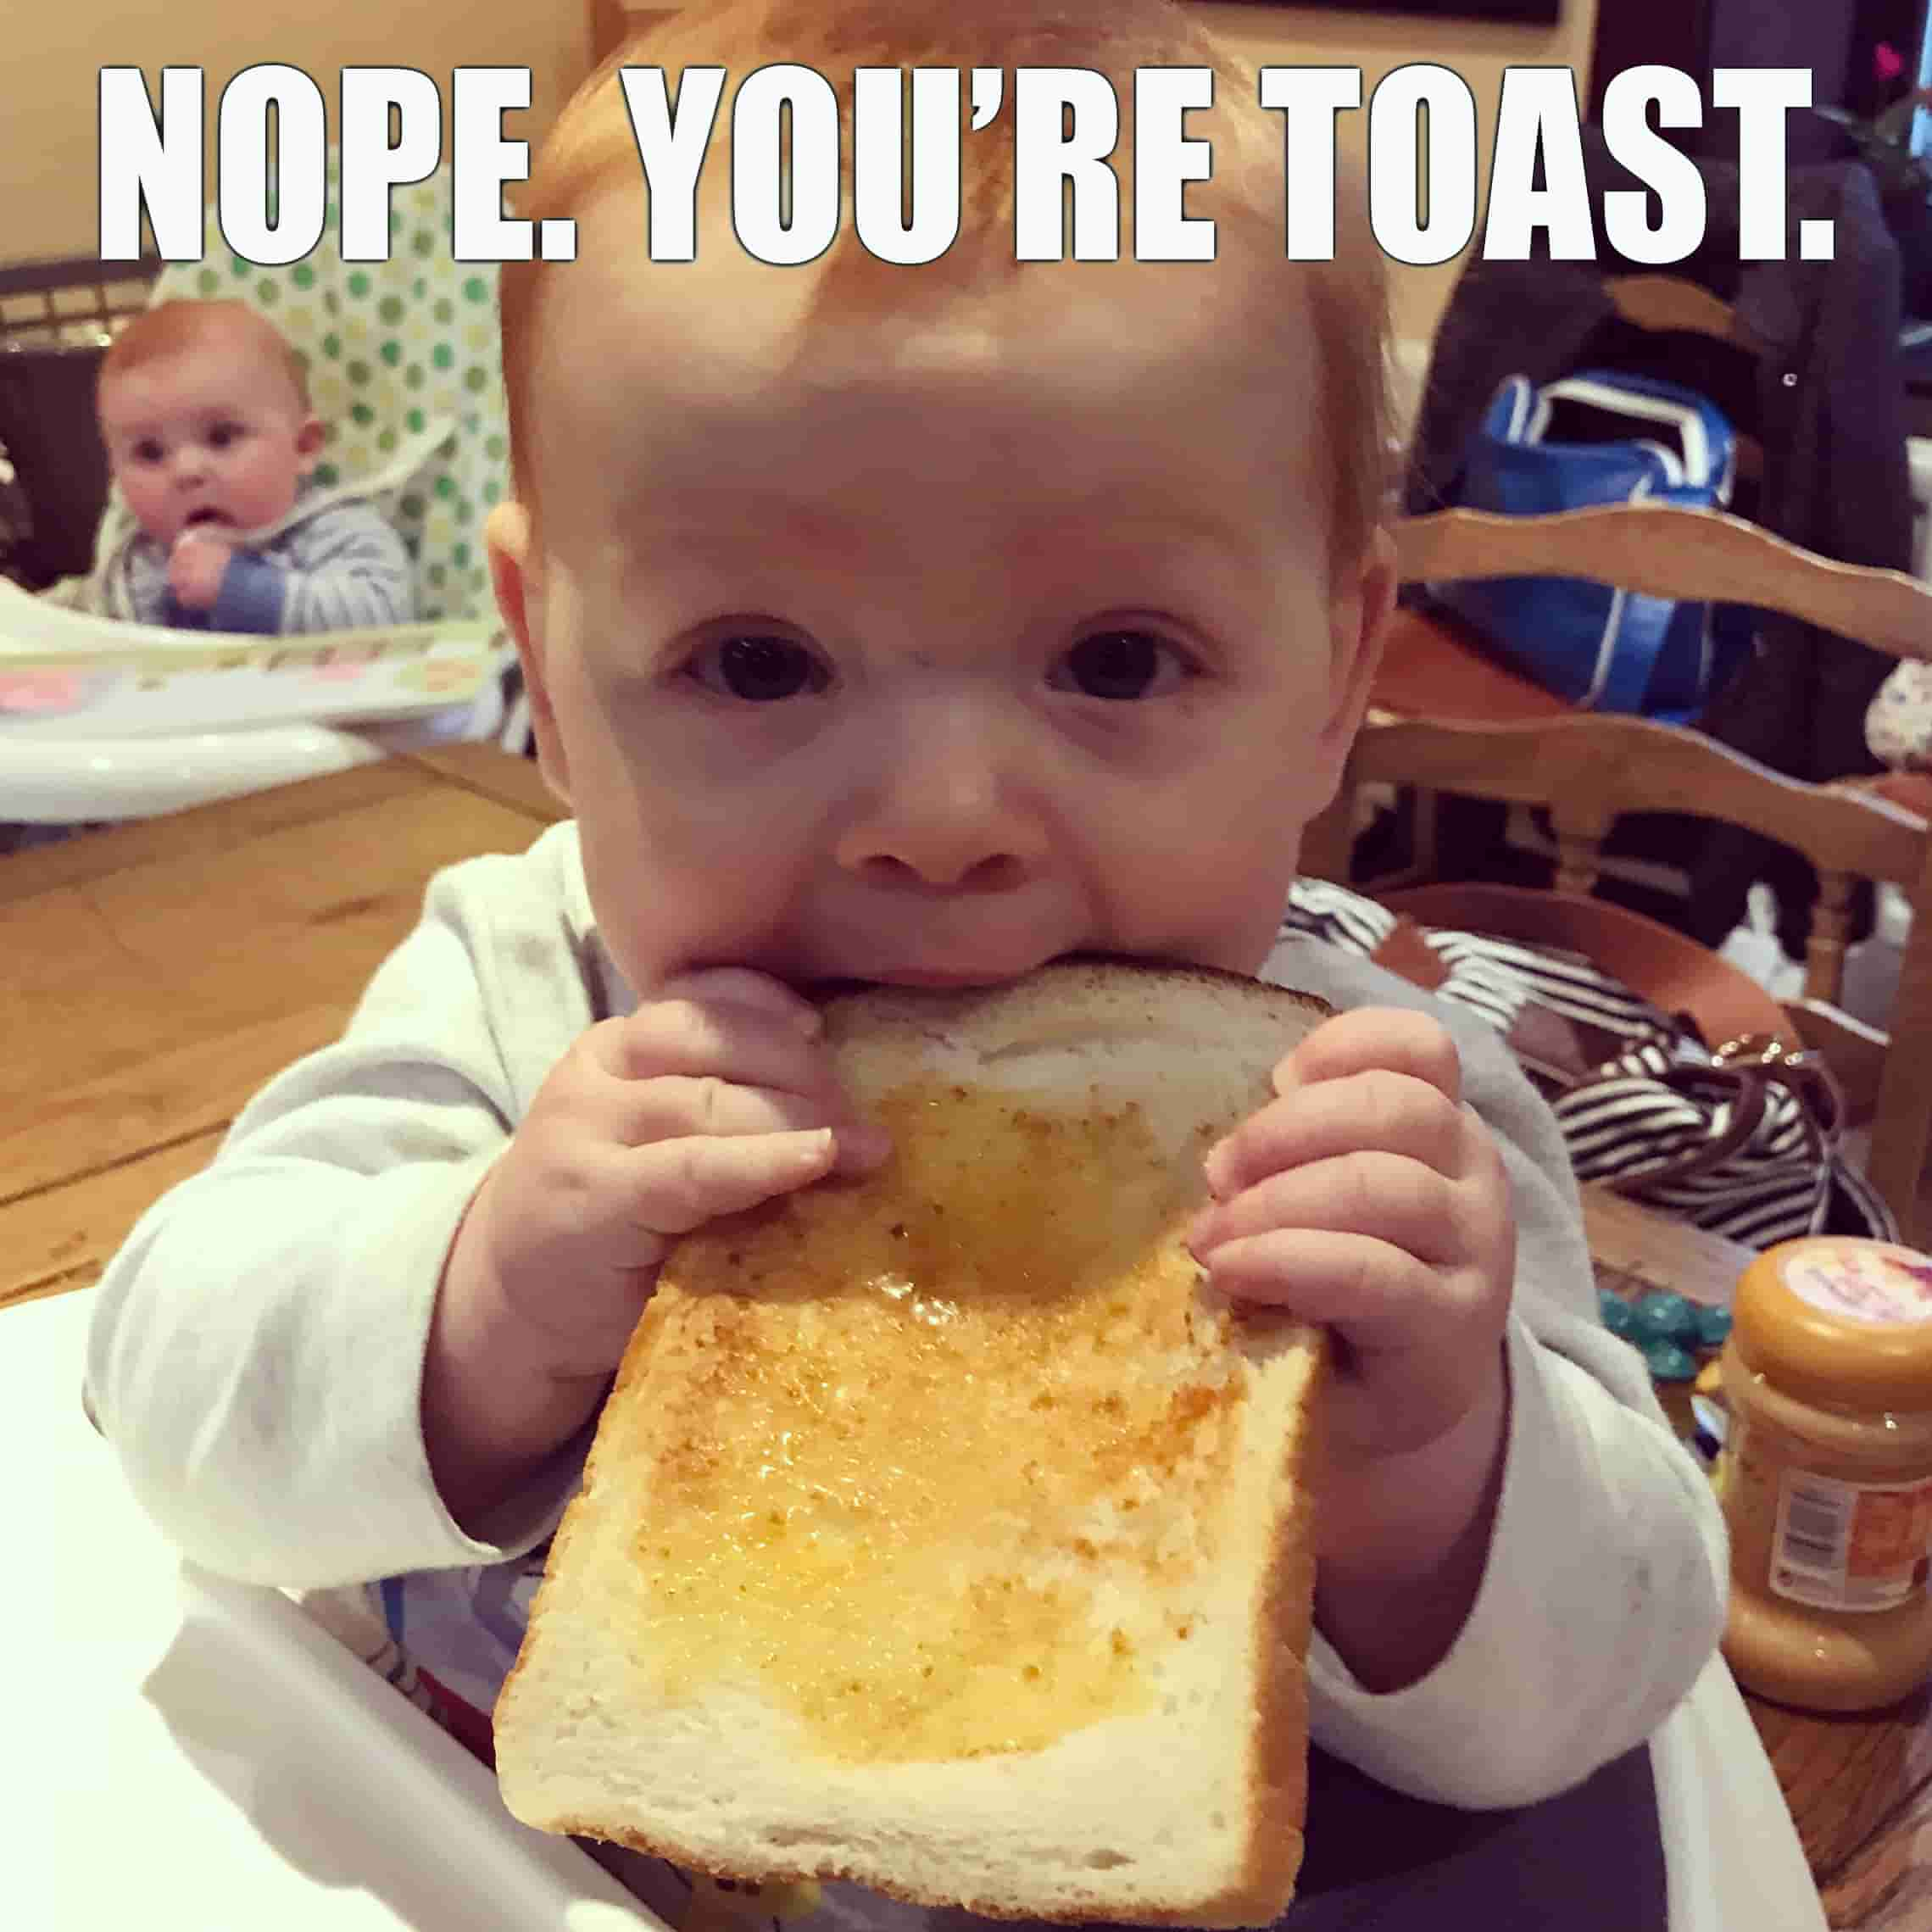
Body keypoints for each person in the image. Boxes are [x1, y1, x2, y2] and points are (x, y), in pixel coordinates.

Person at [86, 2, 1741, 1924]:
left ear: (1333, 682)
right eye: (757, 662)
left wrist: (1435, 1465)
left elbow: (1625, 1666)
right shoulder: (523, 991)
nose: (941, 819)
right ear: (545, 670)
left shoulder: (1370, 1120)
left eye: (1116, 659)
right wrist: (485, 1293)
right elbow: (162, 1390)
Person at [83, 298, 414, 632]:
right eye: (150, 452)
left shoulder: (336, 533)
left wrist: (241, 590)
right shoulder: (138, 564)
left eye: (222, 437)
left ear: (302, 447)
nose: (186, 471)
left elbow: (384, 614)